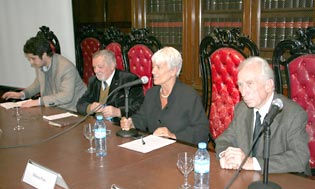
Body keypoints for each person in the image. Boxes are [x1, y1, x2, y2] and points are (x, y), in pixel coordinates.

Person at [215, 56, 310, 175]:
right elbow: (223, 140)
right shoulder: (242, 109)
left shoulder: (293, 114)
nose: (243, 92)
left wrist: (252, 163)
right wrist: (226, 156)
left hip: (284, 180)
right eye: (240, 85)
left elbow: (299, 158)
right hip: (248, 179)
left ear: (269, 85)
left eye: (249, 84)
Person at [120, 47, 209, 145]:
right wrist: (131, 123)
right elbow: (142, 118)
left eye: (158, 67)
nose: (153, 71)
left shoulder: (189, 96)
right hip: (153, 149)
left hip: (180, 151)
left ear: (173, 71)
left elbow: (202, 131)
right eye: (153, 67)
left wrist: (173, 136)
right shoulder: (152, 93)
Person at [2, 32, 86, 112]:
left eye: (33, 58)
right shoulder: (40, 64)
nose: (31, 62)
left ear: (44, 54)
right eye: (29, 59)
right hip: (53, 109)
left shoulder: (65, 67)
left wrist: (38, 102)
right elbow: (38, 83)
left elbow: (66, 96)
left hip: (73, 109)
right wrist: (22, 94)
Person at [76, 50, 144, 123]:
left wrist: (118, 112)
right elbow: (80, 104)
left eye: (100, 67)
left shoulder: (129, 80)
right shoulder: (94, 81)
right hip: (97, 124)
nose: (96, 71)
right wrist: (90, 107)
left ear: (112, 66)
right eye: (94, 67)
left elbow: (140, 107)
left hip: (119, 126)